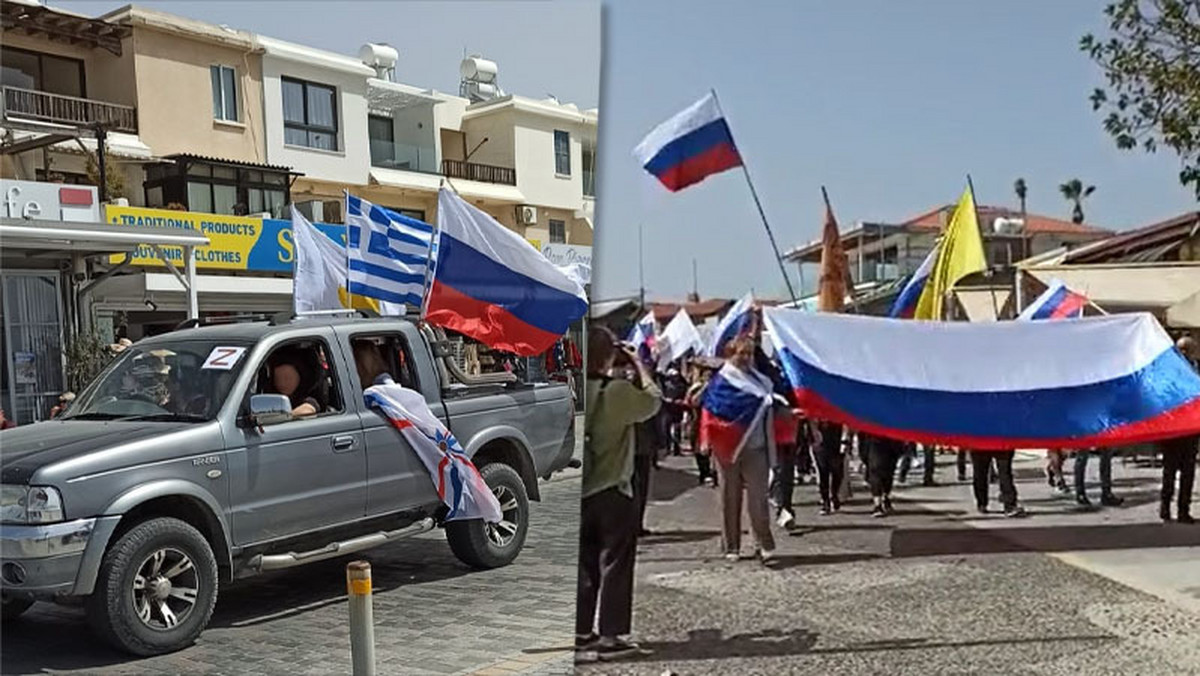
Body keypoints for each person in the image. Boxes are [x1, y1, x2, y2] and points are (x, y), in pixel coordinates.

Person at [576, 326, 661, 659]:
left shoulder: (574, 391)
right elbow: (653, 401)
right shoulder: (618, 391)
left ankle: (581, 632)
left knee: (583, 565)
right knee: (616, 563)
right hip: (614, 489)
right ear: (609, 355)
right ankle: (611, 638)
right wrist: (640, 364)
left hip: (580, 492)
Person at [706, 337, 777, 564]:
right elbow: (712, 409)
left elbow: (771, 406)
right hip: (726, 450)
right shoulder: (720, 382)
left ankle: (763, 544)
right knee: (729, 497)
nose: (746, 358)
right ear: (731, 354)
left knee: (759, 499)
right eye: (742, 353)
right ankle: (731, 546)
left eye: (750, 354)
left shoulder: (762, 382)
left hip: (756, 448)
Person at [1160, 336, 1198, 524]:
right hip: (1173, 430)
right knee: (1169, 471)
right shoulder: (1168, 372)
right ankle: (1165, 507)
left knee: (1188, 472)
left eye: (1187, 349)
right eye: (1180, 349)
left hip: (1191, 430)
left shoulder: (1196, 370)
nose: (1184, 353)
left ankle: (1184, 510)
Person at [769, 397, 801, 530]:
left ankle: (785, 508)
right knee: (780, 472)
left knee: (787, 475)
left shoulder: (793, 386)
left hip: (790, 435)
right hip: (771, 436)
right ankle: (783, 509)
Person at [685, 363, 717, 486]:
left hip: (713, 421)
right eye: (706, 374)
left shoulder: (718, 388)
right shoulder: (696, 387)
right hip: (698, 421)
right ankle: (704, 473)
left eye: (711, 374)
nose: (709, 376)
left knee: (713, 449)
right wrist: (704, 388)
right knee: (698, 449)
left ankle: (712, 474)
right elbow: (693, 402)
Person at [970, 450, 1026, 517]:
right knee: (1004, 471)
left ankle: (981, 503)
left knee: (980, 472)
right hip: (1001, 443)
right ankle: (1010, 505)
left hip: (980, 443)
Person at [268, 353, 323, 417]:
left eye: (287, 378)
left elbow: (309, 409)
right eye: (277, 378)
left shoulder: (306, 398)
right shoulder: (273, 398)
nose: (283, 383)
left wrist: (286, 417)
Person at [864, 432, 904, 517]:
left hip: (876, 447)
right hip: (889, 446)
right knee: (886, 475)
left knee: (877, 476)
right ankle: (884, 499)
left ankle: (878, 504)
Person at [813, 420, 844, 515]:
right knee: (823, 472)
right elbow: (810, 418)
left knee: (837, 472)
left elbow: (845, 421)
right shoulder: (817, 409)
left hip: (836, 443)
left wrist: (845, 440)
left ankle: (834, 494)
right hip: (820, 444)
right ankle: (825, 501)